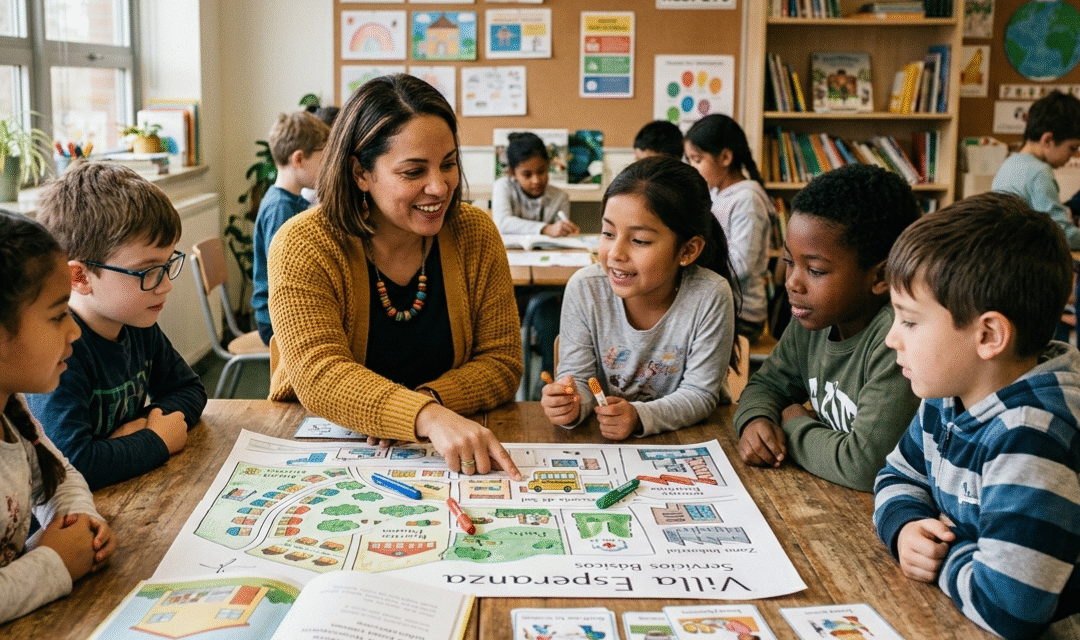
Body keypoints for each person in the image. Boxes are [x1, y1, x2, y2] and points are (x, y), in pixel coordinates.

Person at [268, 74, 522, 480]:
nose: (439, 187)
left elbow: (502, 361)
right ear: (360, 173)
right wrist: (426, 417)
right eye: (413, 172)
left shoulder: (475, 233)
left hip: (445, 446)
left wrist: (427, 404)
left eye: (449, 164)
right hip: (327, 445)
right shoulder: (303, 243)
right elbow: (319, 374)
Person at [875, 192, 1080, 639]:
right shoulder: (948, 397)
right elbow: (897, 474)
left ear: (988, 335)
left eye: (909, 321)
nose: (893, 338)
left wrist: (944, 556)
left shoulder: (1032, 436)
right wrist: (906, 526)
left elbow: (1010, 607)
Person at [732, 163, 921, 492]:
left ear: (879, 277)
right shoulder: (811, 319)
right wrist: (757, 420)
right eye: (790, 262)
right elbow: (766, 386)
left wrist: (793, 424)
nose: (793, 282)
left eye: (815, 270)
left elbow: (865, 465)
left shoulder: (897, 339)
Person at [28, 162, 207, 491]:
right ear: (79, 277)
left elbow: (189, 389)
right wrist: (156, 440)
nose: (165, 285)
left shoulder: (137, 321)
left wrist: (145, 426)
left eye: (167, 265)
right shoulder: (61, 352)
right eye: (147, 272)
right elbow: (73, 462)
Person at [541, 155, 737, 440]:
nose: (616, 253)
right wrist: (571, 405)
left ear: (688, 251)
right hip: (609, 444)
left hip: (690, 440)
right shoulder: (585, 288)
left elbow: (700, 394)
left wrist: (639, 416)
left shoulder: (710, 295)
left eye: (640, 240)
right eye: (608, 232)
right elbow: (578, 380)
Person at [0, 211, 115, 623]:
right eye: (57, 316)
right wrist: (56, 563)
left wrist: (79, 518)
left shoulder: (14, 413)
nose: (75, 331)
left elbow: (58, 475)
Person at [685, 113, 774, 344]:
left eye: (697, 159)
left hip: (742, 315)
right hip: (721, 304)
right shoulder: (717, 194)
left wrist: (694, 264)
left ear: (725, 157)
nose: (693, 168)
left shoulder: (747, 200)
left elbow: (741, 265)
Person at [252, 110, 330, 344]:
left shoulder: (291, 201)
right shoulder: (280, 209)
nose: (327, 168)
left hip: (280, 312)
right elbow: (287, 276)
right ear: (298, 159)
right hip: (275, 321)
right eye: (324, 160)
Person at [992, 90, 1080, 249]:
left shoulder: (1009, 163)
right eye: (1072, 148)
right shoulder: (1039, 172)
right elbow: (1061, 234)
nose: (1072, 156)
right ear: (1048, 140)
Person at [491, 131, 577, 237]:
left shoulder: (560, 197)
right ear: (512, 173)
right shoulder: (503, 186)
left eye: (541, 171)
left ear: (548, 166)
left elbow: (560, 235)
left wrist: (563, 229)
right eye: (527, 175)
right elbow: (502, 223)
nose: (536, 180)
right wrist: (546, 229)